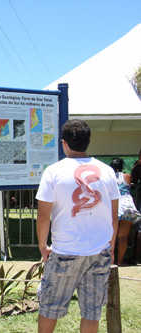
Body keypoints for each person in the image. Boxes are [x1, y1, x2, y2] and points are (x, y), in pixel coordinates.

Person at [36, 119, 119, 333]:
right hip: (99, 251)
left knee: (49, 307)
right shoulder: (108, 171)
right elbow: (113, 216)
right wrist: (109, 246)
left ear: (64, 143)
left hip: (65, 251)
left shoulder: (53, 172)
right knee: (91, 311)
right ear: (88, 141)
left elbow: (43, 216)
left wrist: (43, 246)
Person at [110, 158, 140, 266]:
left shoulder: (108, 177)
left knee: (110, 236)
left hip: (113, 206)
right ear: (121, 167)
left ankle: (110, 260)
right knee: (123, 236)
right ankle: (120, 261)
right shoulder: (127, 177)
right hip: (126, 206)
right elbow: (132, 183)